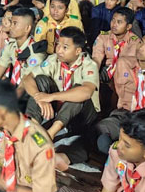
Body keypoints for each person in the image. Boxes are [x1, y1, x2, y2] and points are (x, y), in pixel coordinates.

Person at [23, 26, 99, 157]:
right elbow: (28, 78)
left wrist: (51, 97)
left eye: (65, 47)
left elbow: (86, 92)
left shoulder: (89, 64)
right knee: (41, 79)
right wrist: (39, 98)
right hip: (58, 111)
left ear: (77, 51)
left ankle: (49, 135)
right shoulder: (53, 60)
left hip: (82, 117)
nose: (59, 50)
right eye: (58, 45)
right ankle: (32, 128)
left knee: (77, 91)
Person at [0, 8, 46, 103]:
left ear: (27, 28)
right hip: (11, 85)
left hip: (26, 92)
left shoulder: (36, 53)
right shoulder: (11, 45)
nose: (11, 27)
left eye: (15, 24)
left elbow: (24, 84)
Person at [92, 7, 143, 81]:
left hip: (125, 73)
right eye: (113, 20)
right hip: (107, 69)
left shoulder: (134, 41)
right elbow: (97, 58)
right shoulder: (103, 36)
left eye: (119, 22)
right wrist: (93, 74)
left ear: (128, 26)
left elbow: (131, 65)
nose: (114, 25)